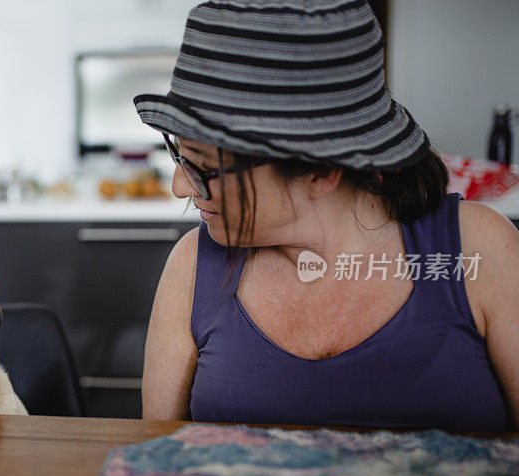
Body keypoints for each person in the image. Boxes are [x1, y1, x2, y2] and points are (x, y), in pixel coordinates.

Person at [134, 0, 519, 430]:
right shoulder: (193, 267)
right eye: (179, 154)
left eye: (204, 165)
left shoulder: (482, 252)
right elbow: (157, 462)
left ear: (320, 171)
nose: (179, 187)